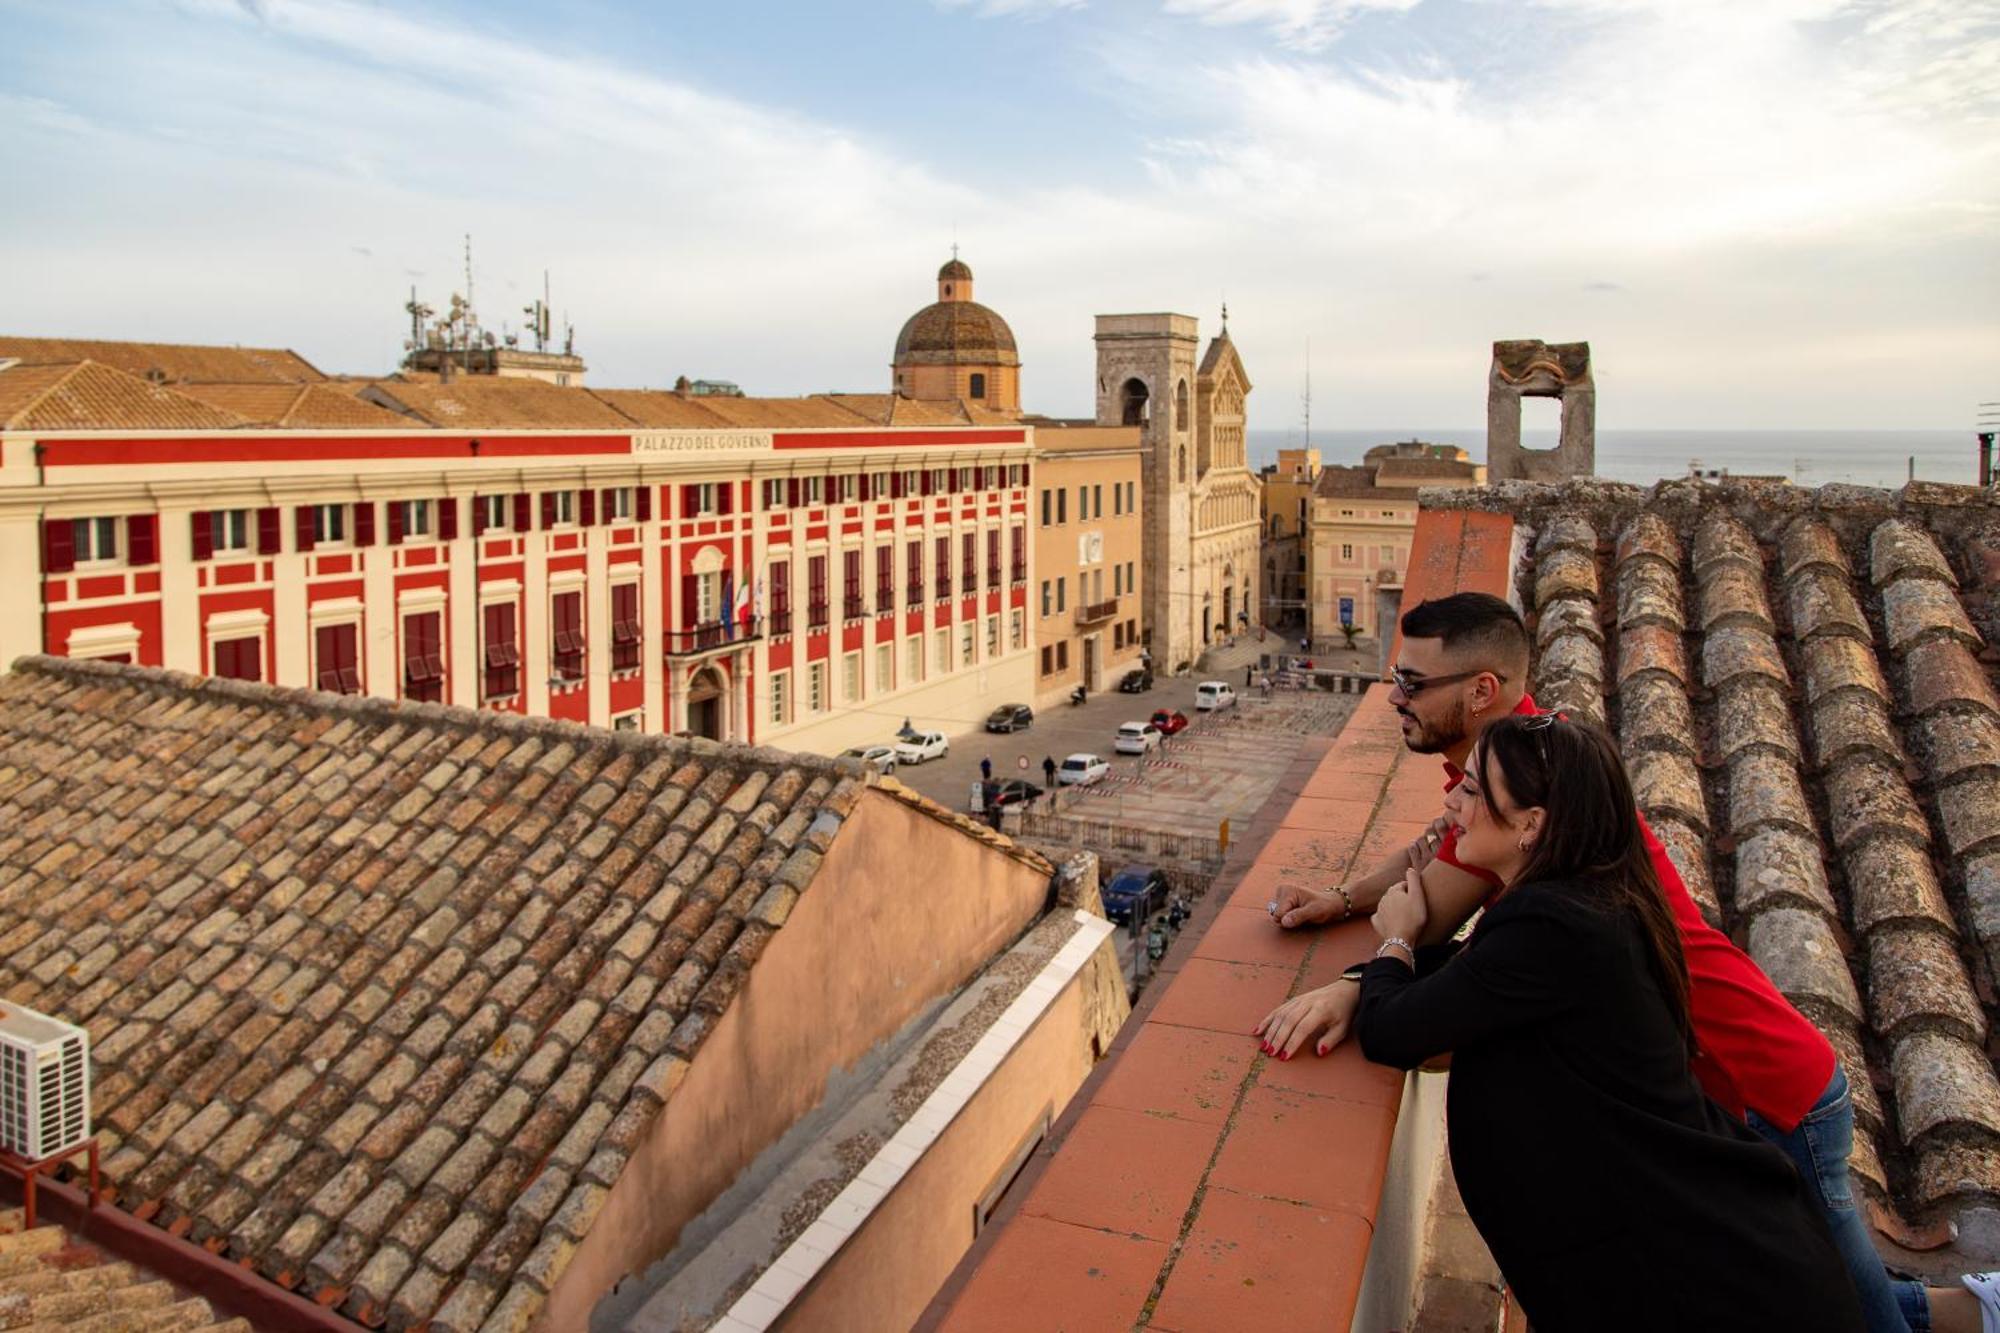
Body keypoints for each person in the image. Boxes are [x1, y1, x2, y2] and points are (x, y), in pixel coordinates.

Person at [1256, 591, 1990, 1333]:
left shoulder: (1532, 792)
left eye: (1412, 682)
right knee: (1807, 1290)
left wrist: (1358, 980)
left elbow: (1433, 921)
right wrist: (1345, 897)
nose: (1394, 697)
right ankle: (1979, 1307)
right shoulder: (1536, 769)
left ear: (1481, 691)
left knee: (1846, 1317)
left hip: (1765, 1088)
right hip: (1737, 1088)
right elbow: (1431, 859)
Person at [1347, 716, 1864, 1332]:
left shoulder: (1554, 925)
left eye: (1473, 791)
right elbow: (1473, 987)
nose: (1451, 800)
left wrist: (1398, 940)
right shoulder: (1588, 899)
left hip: (1706, 1285)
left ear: (1531, 826)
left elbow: (1394, 1032)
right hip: (1699, 1257)